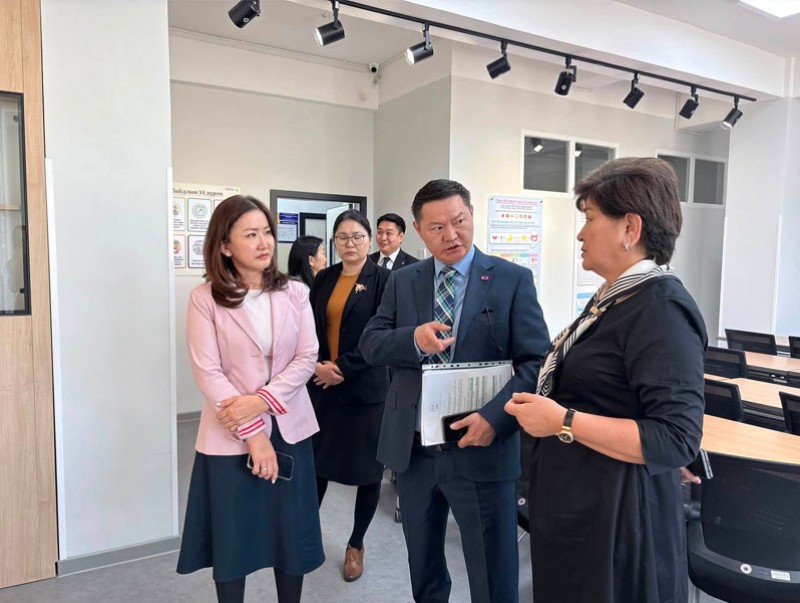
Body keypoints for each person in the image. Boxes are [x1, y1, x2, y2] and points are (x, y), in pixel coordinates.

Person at [505, 157, 707, 603]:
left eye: (590, 218)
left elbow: (676, 438)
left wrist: (563, 421)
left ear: (629, 228)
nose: (580, 234)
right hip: (583, 503)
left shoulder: (661, 308)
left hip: (618, 521)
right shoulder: (615, 299)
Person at [360, 180, 549, 603]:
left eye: (459, 221)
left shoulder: (511, 280)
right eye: (437, 227)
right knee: (424, 568)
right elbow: (371, 344)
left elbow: (536, 362)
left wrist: (494, 419)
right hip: (416, 451)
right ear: (418, 230)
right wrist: (413, 339)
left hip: (482, 446)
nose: (451, 235)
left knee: (493, 575)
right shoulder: (404, 281)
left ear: (472, 216)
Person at [177, 195, 324, 603]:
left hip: (290, 428)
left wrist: (261, 401)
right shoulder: (204, 298)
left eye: (267, 232)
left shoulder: (295, 292)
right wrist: (255, 435)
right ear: (225, 245)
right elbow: (208, 372)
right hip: (230, 436)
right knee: (233, 539)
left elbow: (307, 356)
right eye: (251, 234)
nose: (264, 242)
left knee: (289, 537)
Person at [307, 209, 391, 583]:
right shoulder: (324, 278)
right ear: (334, 242)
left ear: (369, 240)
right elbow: (309, 329)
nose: (350, 243)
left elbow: (382, 336)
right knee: (318, 464)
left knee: (368, 472)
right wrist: (317, 366)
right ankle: (306, 533)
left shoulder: (384, 280)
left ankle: (356, 545)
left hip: (365, 390)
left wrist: (342, 367)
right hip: (323, 388)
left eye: (357, 236)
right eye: (342, 237)